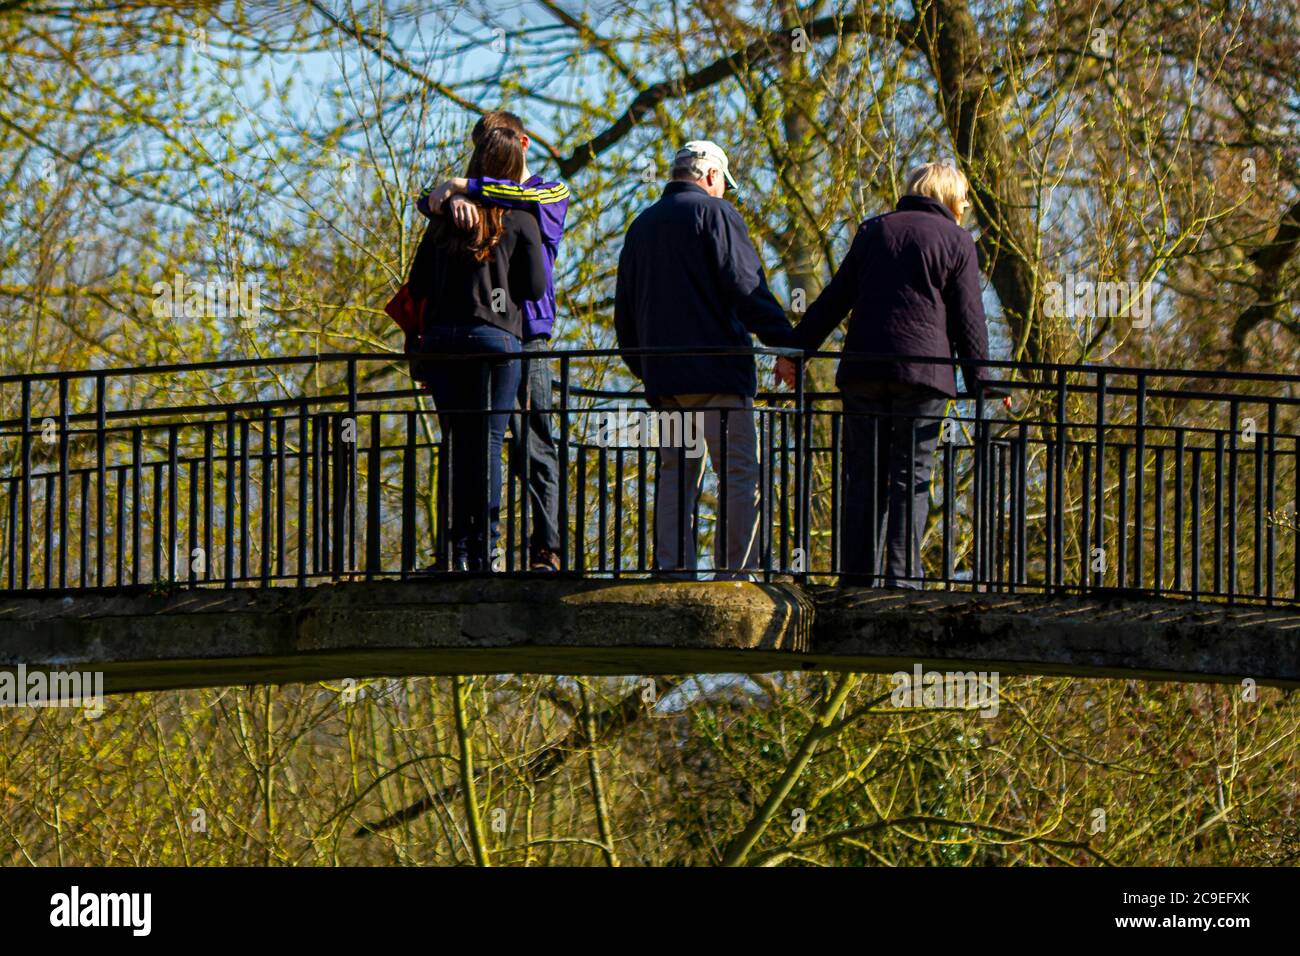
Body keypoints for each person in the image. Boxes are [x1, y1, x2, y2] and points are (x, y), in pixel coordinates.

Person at [777, 161, 992, 588]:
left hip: (864, 371)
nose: (964, 208)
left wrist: (795, 354)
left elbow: (834, 299)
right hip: (924, 374)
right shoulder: (956, 240)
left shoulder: (874, 231)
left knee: (864, 474)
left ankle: (856, 580)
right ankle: (901, 581)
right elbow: (969, 318)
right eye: (963, 200)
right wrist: (984, 383)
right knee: (910, 477)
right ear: (950, 197)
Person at [615, 140, 793, 578]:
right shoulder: (716, 214)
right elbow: (746, 286)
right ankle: (735, 573)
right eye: (724, 185)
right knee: (738, 474)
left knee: (675, 476)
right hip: (719, 375)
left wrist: (646, 368)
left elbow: (624, 313)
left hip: (667, 382)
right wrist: (787, 344)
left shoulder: (641, 226)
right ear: (712, 175)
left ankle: (672, 569)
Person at [420, 111, 571, 572]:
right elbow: (427, 206)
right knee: (470, 441)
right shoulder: (465, 200)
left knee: (533, 442)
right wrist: (441, 199)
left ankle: (545, 548)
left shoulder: (549, 191)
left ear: (520, 143)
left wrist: (458, 188)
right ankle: (468, 548)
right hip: (493, 332)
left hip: (529, 336)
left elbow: (521, 200)